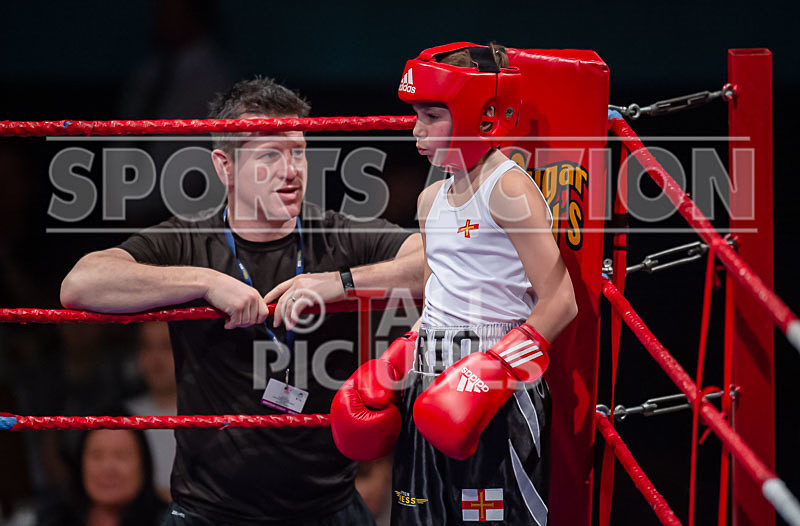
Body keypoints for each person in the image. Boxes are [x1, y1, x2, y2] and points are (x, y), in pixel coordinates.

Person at [60, 76, 423, 525]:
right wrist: (204, 281)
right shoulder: (190, 240)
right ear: (225, 166)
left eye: (298, 152)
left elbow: (437, 261)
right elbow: (81, 283)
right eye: (270, 155)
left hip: (329, 507)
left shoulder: (339, 235)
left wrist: (342, 283)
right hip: (209, 510)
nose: (290, 170)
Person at [329, 43, 578, 525]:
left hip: (499, 382)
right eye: (415, 115)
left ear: (478, 114)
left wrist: (493, 372)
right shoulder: (429, 200)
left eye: (431, 115)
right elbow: (442, 296)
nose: (416, 130)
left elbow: (561, 301)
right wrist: (397, 357)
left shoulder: (507, 187)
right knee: (419, 515)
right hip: (430, 375)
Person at [37, 427, 167, 526]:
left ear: (144, 465)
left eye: (121, 456)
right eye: (96, 456)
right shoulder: (53, 519)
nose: (108, 468)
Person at [124, 322, 178, 502]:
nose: (156, 358)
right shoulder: (123, 416)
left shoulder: (206, 416)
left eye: (166, 346)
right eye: (147, 346)